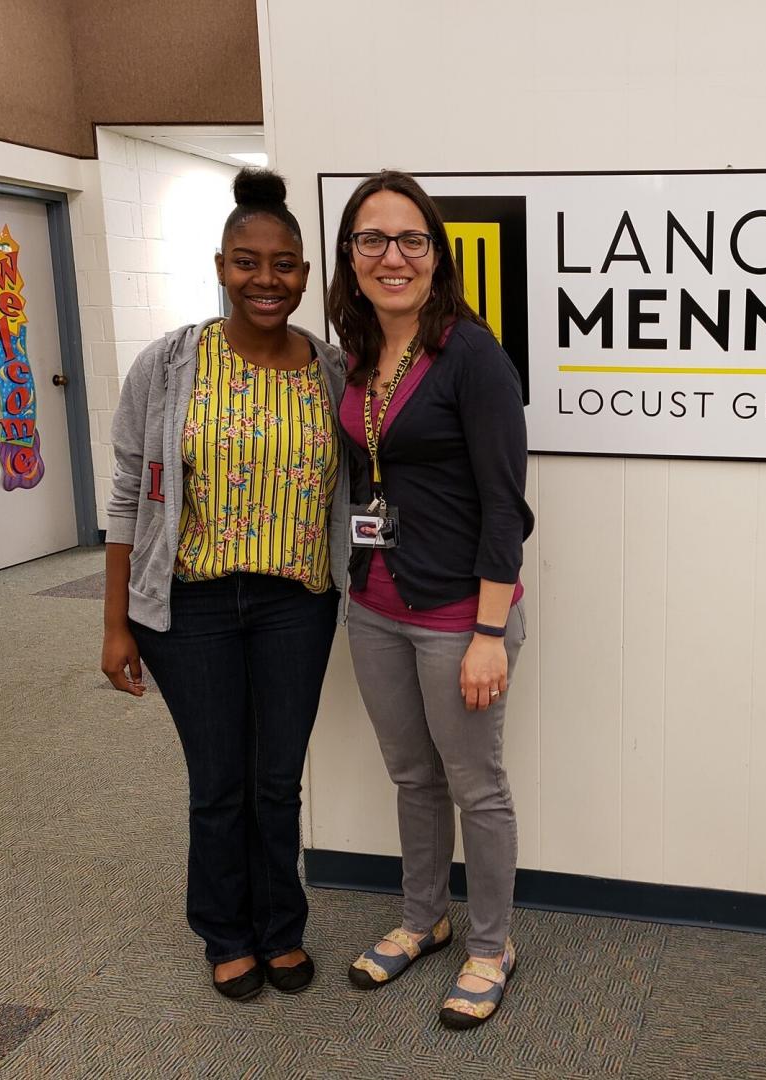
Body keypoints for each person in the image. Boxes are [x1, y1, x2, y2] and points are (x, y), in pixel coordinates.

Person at [100, 169, 347, 1000]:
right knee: (219, 781)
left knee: (277, 778)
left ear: (306, 274)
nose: (265, 280)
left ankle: (281, 929)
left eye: (282, 265)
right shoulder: (170, 365)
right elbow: (129, 495)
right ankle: (225, 931)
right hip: (192, 605)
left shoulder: (333, 373)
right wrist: (116, 623)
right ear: (221, 264)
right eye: (247, 262)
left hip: (296, 604)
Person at [327, 170, 533, 1029]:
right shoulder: (354, 353)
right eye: (371, 239)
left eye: (411, 239)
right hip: (375, 603)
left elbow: (505, 504)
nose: (392, 256)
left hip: (460, 614)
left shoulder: (472, 355)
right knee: (411, 775)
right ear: (351, 255)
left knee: (473, 785)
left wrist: (491, 630)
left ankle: (492, 945)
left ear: (436, 255)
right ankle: (424, 920)